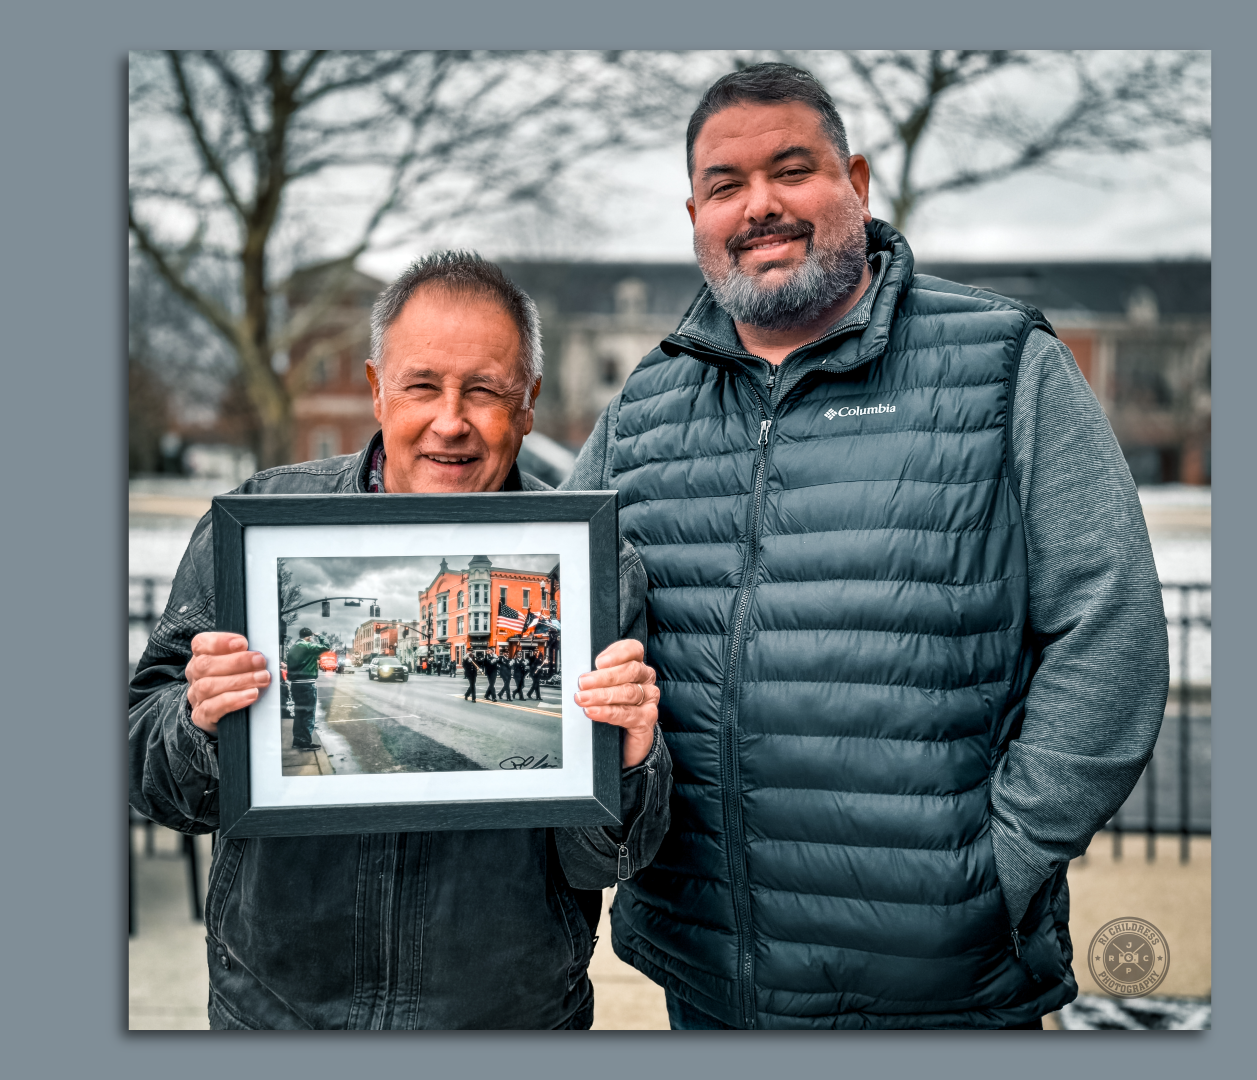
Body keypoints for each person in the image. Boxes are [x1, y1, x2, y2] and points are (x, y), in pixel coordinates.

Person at [563, 64, 1168, 1030]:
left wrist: (994, 873)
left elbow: (1112, 634)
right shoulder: (644, 407)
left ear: (858, 182)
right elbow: (552, 622)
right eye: (726, 186)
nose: (759, 206)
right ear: (694, 212)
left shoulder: (1003, 364)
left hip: (942, 987)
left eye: (791, 171)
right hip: (713, 981)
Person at [131, 251, 670, 1030]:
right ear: (377, 388)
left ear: (528, 405)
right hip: (279, 1017)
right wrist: (196, 722)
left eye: (485, 390)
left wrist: (629, 764)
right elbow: (145, 773)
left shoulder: (594, 567)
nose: (450, 420)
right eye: (422, 385)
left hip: (511, 1021)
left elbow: (609, 860)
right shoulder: (255, 527)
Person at [283, 627, 327, 752]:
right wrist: (320, 635)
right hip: (307, 685)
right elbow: (326, 646)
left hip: (296, 685)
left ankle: (297, 741)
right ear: (309, 637)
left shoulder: (293, 648)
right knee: (308, 714)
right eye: (311, 637)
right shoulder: (308, 646)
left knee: (299, 714)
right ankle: (306, 742)